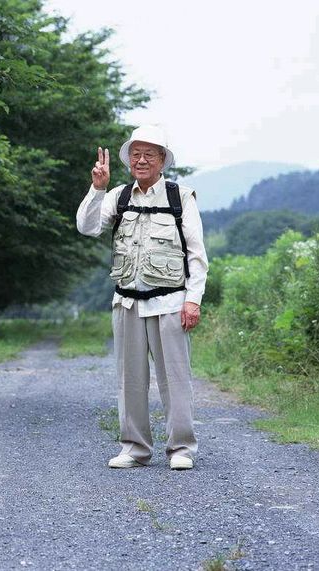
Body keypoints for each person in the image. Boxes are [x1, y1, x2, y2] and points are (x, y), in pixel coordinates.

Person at [76, 125, 208, 470]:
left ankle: (181, 448)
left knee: (175, 379)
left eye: (150, 154)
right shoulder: (118, 196)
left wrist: (192, 300)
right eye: (136, 153)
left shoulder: (181, 197)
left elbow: (196, 256)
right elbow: (87, 227)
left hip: (170, 303)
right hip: (127, 303)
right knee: (129, 379)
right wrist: (96, 188)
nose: (142, 160)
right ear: (128, 159)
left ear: (162, 160)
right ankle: (134, 448)